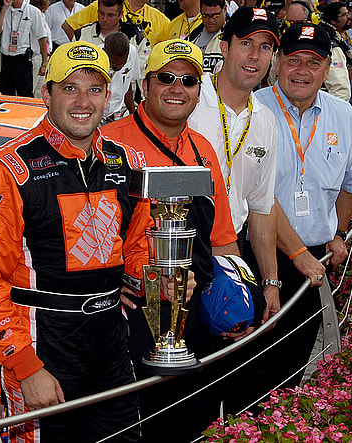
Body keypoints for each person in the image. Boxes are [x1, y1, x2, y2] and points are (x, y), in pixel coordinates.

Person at [0, 41, 153, 443]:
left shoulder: (129, 161)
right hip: (42, 343)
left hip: (112, 340)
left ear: (108, 95)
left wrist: (151, 278)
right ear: (46, 94)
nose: (83, 101)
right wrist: (25, 365)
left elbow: (137, 244)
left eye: (94, 89)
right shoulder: (6, 169)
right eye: (70, 88)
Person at [102, 38, 238, 441]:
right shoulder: (108, 145)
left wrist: (235, 298)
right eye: (166, 77)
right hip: (128, 317)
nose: (177, 87)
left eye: (189, 80)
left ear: (200, 91)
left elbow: (223, 240)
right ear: (146, 85)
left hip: (194, 317)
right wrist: (118, 284)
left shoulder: (205, 151)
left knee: (192, 421)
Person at [255, 22, 352, 392]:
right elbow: (250, 196)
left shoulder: (344, 116)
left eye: (313, 62)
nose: (302, 71)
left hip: (314, 264)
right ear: (277, 63)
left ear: (326, 69)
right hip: (257, 256)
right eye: (294, 60)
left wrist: (337, 233)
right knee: (250, 365)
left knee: (293, 366)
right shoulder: (254, 111)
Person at [187, 6, 281, 415]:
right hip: (182, 256)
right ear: (223, 47)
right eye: (245, 43)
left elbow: (261, 209)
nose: (254, 56)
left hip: (233, 256)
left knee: (235, 377)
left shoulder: (265, 121)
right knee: (185, 384)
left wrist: (271, 281)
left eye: (264, 48)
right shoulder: (189, 99)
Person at [75, 0, 142, 119]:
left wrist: (133, 115)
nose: (119, 68)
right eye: (115, 64)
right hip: (94, 114)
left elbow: (127, 86)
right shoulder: (94, 55)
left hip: (118, 115)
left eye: (110, 15)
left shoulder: (132, 48)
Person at [0, 0, 49, 96]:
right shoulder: (6, 11)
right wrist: (4, 8)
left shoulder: (33, 11)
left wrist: (44, 63)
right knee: (6, 94)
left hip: (23, 59)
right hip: (6, 59)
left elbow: (42, 38)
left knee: (25, 94)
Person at [319, 2, 352, 101]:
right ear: (333, 20)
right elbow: (339, 90)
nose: (348, 17)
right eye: (344, 15)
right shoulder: (328, 45)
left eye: (348, 14)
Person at [196, 0, 229, 73]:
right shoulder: (192, 37)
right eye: (206, 16)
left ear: (225, 9)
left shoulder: (233, 36)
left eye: (215, 15)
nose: (210, 20)